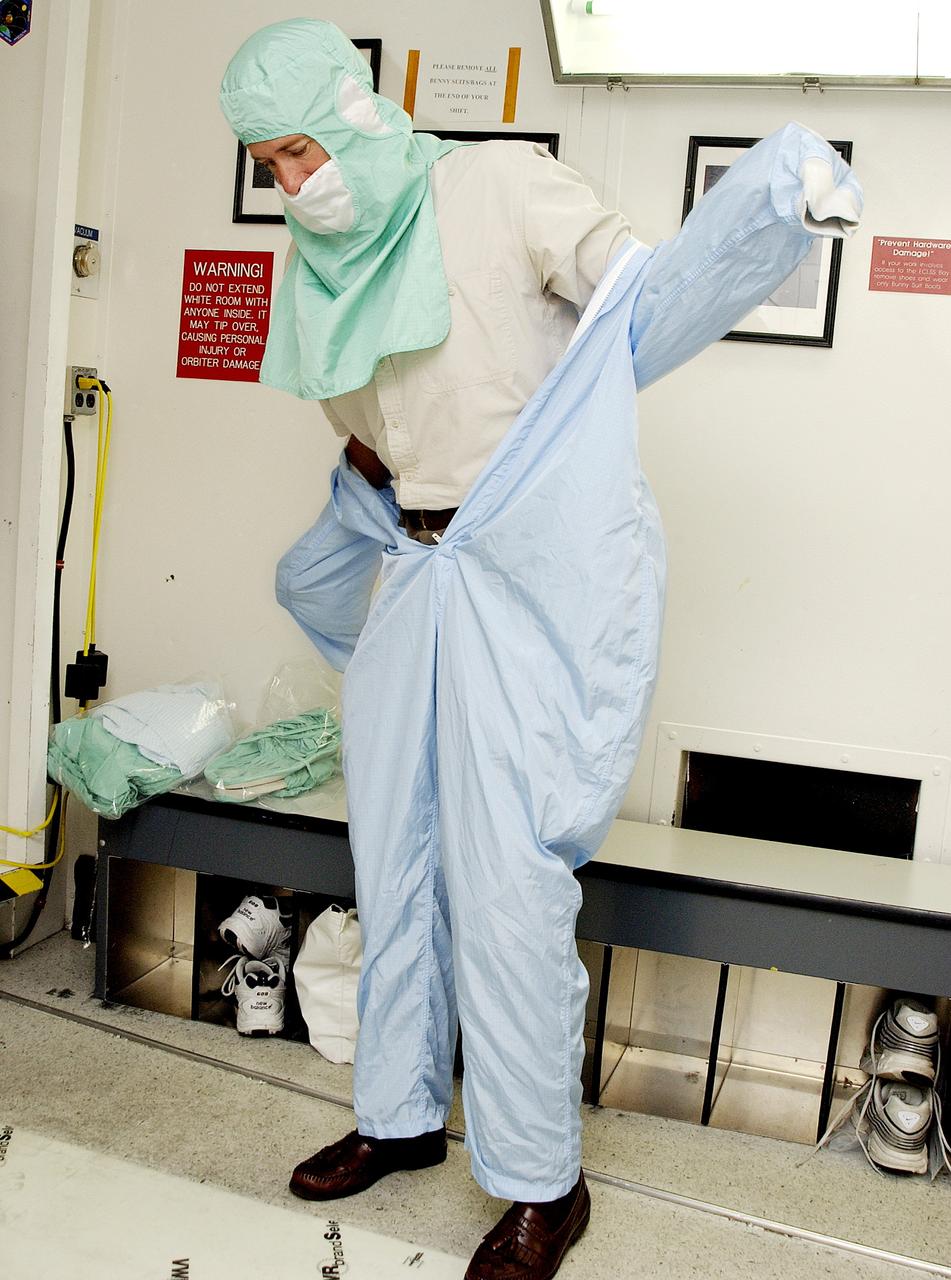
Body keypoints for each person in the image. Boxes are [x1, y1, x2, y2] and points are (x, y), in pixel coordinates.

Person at [219, 20, 862, 1280]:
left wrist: (771, 200)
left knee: (511, 880)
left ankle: (538, 1182)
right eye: (269, 166)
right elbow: (378, 431)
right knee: (392, 851)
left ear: (355, 113)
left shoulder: (498, 184)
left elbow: (640, 300)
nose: (294, 185)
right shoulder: (321, 261)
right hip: (417, 570)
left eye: (300, 151)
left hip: (530, 569)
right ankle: (398, 1114)